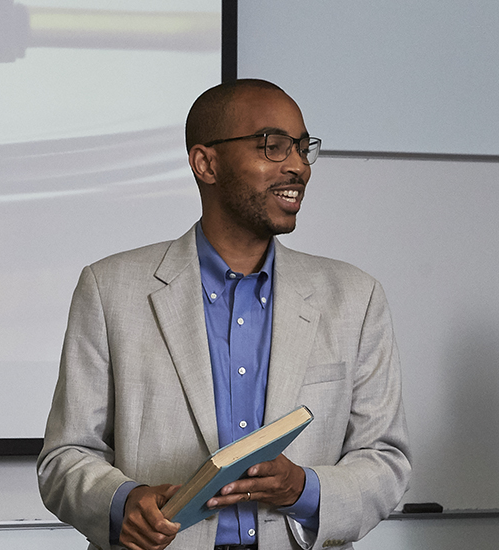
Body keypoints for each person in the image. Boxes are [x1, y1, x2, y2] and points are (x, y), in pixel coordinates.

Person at [37, 79, 411, 550]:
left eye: (301, 147)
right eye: (273, 146)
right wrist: (123, 502)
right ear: (206, 163)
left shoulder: (356, 297)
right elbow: (66, 457)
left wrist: (304, 489)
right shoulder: (110, 288)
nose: (298, 166)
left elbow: (385, 459)